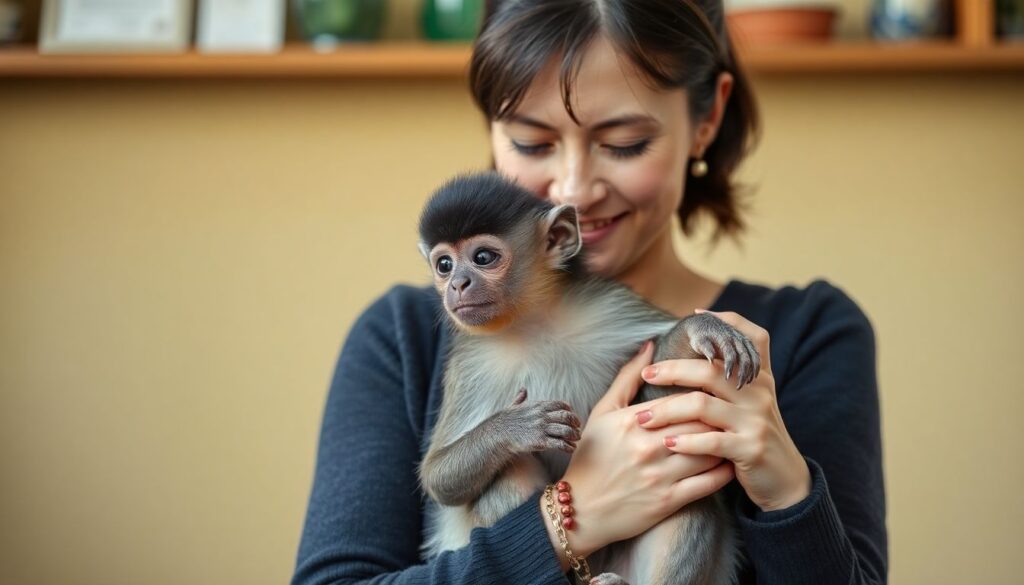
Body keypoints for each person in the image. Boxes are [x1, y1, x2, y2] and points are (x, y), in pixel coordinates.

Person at [291, 1, 888, 583]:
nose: (574, 190)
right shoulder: (404, 338)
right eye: (531, 142)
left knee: (690, 501)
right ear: (493, 129)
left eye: (623, 142)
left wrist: (787, 489)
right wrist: (572, 520)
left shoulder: (812, 331)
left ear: (707, 118)